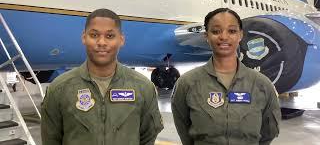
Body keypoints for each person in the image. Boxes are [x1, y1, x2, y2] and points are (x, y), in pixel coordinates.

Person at [41, 8, 163, 145]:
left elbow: (148, 137)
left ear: (121, 40)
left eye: (110, 36)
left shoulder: (143, 88)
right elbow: (50, 139)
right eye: (94, 35)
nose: (102, 42)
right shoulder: (59, 89)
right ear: (84, 37)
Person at [171, 8, 281, 145]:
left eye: (232, 31)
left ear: (240, 35)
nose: (224, 37)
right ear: (206, 36)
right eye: (216, 31)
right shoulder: (187, 84)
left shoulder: (262, 85)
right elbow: (185, 131)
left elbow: (267, 134)